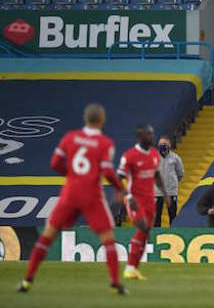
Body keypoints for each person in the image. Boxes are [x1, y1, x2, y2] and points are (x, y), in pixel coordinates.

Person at [18, 104, 127, 295]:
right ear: (102, 121)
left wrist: (72, 175)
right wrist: (120, 188)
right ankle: (115, 283)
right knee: (108, 240)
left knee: (46, 237)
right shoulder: (105, 143)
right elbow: (108, 170)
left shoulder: (70, 137)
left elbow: (54, 163)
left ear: (85, 119)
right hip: (92, 195)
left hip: (70, 193)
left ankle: (27, 280)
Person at [117, 125, 169, 281]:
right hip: (135, 200)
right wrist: (128, 196)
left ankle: (133, 269)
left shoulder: (154, 154)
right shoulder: (129, 156)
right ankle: (129, 268)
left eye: (152, 134)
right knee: (142, 228)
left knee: (145, 233)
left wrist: (165, 194)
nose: (152, 137)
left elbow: (157, 175)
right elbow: (118, 179)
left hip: (150, 201)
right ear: (140, 137)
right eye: (148, 135)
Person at [154, 135, 184, 227]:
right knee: (156, 216)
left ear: (169, 145)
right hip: (156, 192)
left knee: (172, 215)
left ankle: (173, 235)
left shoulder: (175, 158)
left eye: (165, 143)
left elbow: (180, 173)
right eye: (161, 143)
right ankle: (156, 235)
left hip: (171, 192)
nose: (162, 145)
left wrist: (172, 183)